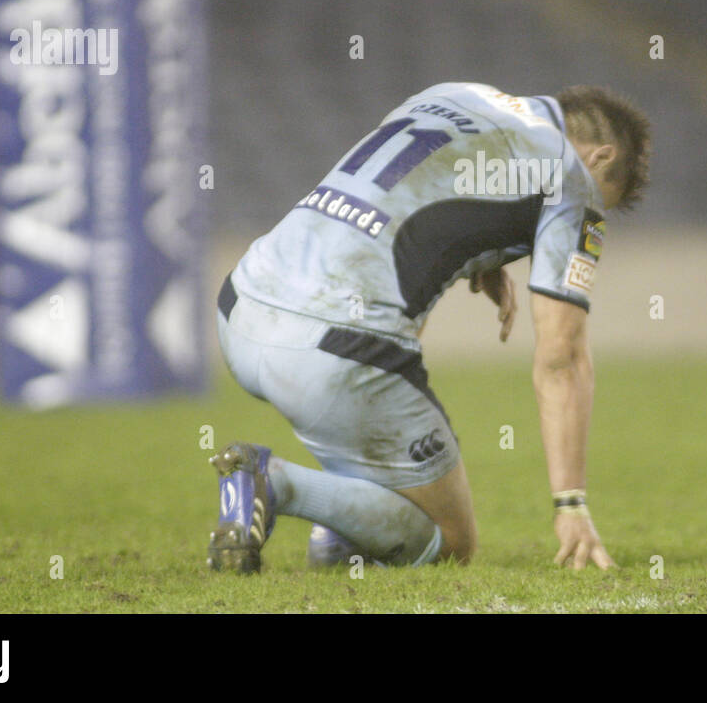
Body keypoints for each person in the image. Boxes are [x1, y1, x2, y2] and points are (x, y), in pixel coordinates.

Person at [208, 81, 651, 572]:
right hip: (331, 351)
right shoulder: (574, 176)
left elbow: (411, 189)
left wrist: (484, 255)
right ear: (601, 158)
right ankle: (273, 483)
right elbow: (562, 357)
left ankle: (340, 535)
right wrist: (571, 504)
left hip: (240, 308)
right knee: (450, 540)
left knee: (376, 419)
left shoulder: (455, 92)